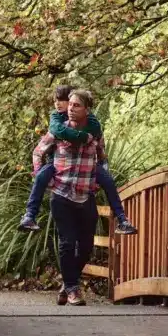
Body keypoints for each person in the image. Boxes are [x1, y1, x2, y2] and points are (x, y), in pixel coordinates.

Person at [19, 85, 137, 236]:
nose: (63, 106)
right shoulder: (57, 121)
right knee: (41, 176)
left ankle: (123, 220)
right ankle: (29, 216)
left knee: (108, 181)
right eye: (64, 102)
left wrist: (100, 172)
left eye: (67, 102)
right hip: (55, 166)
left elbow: (101, 152)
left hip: (87, 177)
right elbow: (38, 152)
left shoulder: (93, 125)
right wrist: (38, 169)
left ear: (86, 109)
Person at [31, 89, 114, 305]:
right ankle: (73, 291)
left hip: (86, 196)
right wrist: (45, 178)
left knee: (86, 246)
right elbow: (38, 152)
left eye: (77, 105)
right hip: (61, 195)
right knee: (67, 243)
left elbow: (102, 158)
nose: (71, 108)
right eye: (70, 104)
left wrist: (98, 179)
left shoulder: (94, 133)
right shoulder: (58, 130)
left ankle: (68, 283)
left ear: (87, 110)